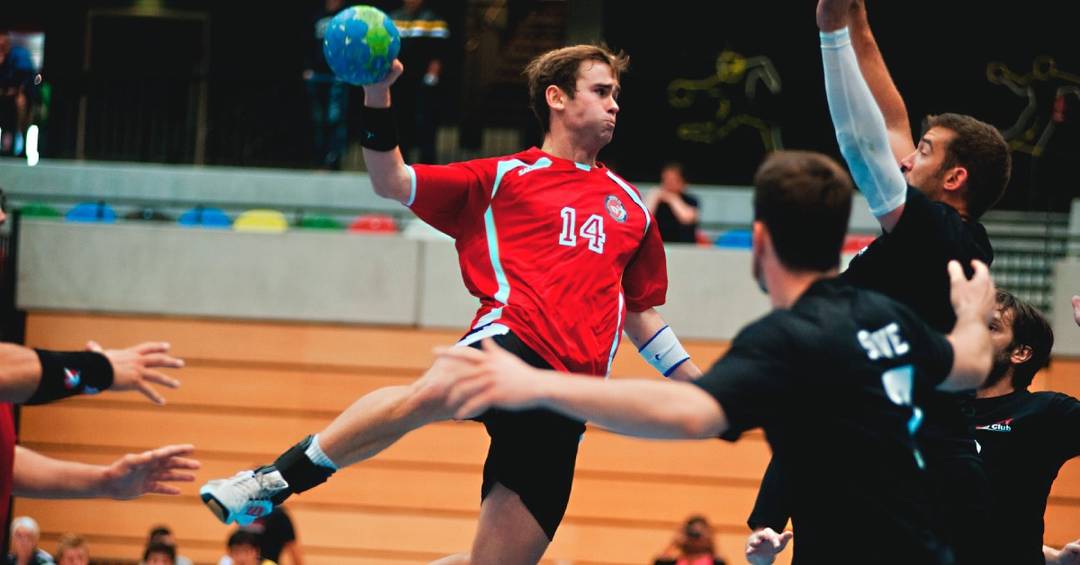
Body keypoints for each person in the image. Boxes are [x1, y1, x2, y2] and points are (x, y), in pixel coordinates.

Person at [201, 44, 701, 564]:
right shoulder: (502, 178)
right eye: (601, 92)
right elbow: (389, 179)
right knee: (432, 394)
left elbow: (639, 315)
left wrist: (700, 386)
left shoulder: (633, 211)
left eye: (616, 95)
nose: (614, 104)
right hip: (513, 340)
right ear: (556, 98)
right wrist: (378, 92)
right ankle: (275, 479)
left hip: (567, 397)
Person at [438, 150, 997, 564]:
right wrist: (972, 312)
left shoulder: (787, 341)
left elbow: (687, 414)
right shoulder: (886, 317)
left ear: (759, 241)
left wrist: (534, 384)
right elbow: (969, 365)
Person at [745, 1, 1014, 562]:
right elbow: (890, 122)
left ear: (955, 177)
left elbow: (863, 144)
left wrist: (828, 38)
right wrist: (852, 17)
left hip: (922, 465)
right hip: (863, 447)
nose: (907, 157)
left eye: (923, 152)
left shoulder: (944, 236)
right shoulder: (930, 224)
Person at [390, 0, 450, 164]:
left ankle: (427, 164)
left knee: (425, 124)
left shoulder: (434, 20)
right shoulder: (392, 19)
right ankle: (401, 164)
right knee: (400, 124)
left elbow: (440, 52)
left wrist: (432, 76)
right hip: (399, 82)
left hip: (423, 83)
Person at [303, 0, 349, 170]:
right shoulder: (318, 16)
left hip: (337, 75)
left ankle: (334, 159)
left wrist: (346, 70)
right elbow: (309, 43)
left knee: (335, 118)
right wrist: (308, 67)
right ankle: (319, 158)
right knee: (318, 118)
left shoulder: (347, 17)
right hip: (317, 74)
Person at [645, 162, 700, 244]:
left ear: (682, 182)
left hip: (684, 247)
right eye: (665, 179)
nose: (668, 183)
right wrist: (653, 197)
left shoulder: (691, 200)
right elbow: (645, 219)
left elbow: (687, 219)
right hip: (659, 245)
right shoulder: (657, 199)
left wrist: (672, 199)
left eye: (672, 180)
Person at [653, 515, 726, 565]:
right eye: (691, 532)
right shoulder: (672, 562)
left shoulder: (716, 562)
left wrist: (711, 541)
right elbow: (659, 562)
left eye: (699, 533)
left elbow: (720, 560)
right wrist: (674, 542)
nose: (695, 537)